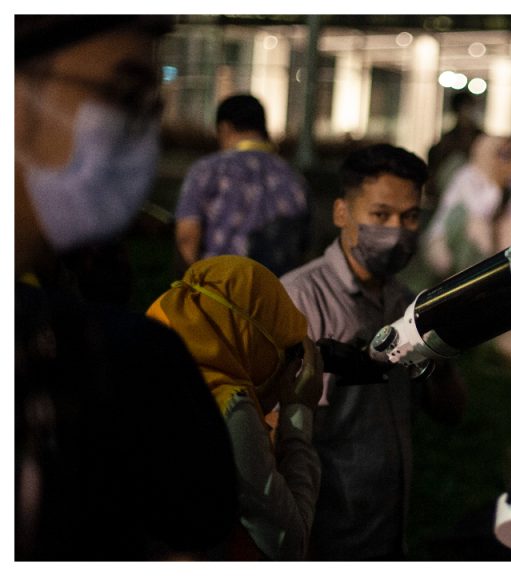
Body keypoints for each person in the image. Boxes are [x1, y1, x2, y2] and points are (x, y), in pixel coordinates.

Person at [14, 15, 238, 559]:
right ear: (15, 100)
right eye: (122, 95)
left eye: (151, 106)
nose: (143, 132)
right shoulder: (124, 364)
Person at [281, 143, 467, 560]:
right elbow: (280, 437)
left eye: (410, 217)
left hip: (387, 538)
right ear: (341, 212)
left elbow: (451, 411)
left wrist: (441, 356)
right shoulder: (299, 301)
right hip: (322, 544)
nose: (397, 230)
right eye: (381, 215)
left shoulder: (409, 305)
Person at [146, 255, 323, 560]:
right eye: (288, 349)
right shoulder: (227, 406)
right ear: (251, 336)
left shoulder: (154, 368)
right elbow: (288, 542)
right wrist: (298, 415)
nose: (290, 365)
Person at [174, 93, 309, 275]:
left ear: (225, 128)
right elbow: (304, 245)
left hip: (219, 285)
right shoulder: (294, 177)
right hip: (276, 287)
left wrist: (189, 284)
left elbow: (187, 239)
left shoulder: (207, 171)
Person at [424, 135, 511, 279]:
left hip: (491, 239)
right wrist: (498, 181)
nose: (508, 160)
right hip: (448, 241)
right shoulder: (467, 175)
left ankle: (509, 274)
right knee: (478, 225)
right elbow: (479, 211)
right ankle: (478, 276)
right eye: (503, 154)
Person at [426, 90, 483, 204]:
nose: (468, 113)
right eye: (465, 108)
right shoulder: (447, 141)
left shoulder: (481, 139)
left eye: (470, 108)